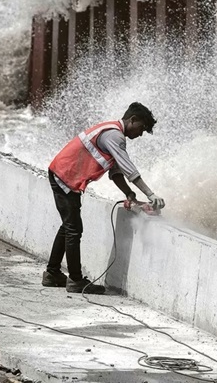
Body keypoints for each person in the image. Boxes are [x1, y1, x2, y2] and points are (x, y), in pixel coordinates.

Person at [45, 102, 163, 293]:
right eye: (141, 128)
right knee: (74, 229)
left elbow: (115, 173)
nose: (141, 134)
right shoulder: (115, 136)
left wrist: (130, 194)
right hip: (65, 176)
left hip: (63, 174)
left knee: (69, 226)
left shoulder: (111, 132)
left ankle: (52, 274)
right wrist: (150, 194)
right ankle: (75, 280)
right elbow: (128, 168)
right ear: (132, 120)